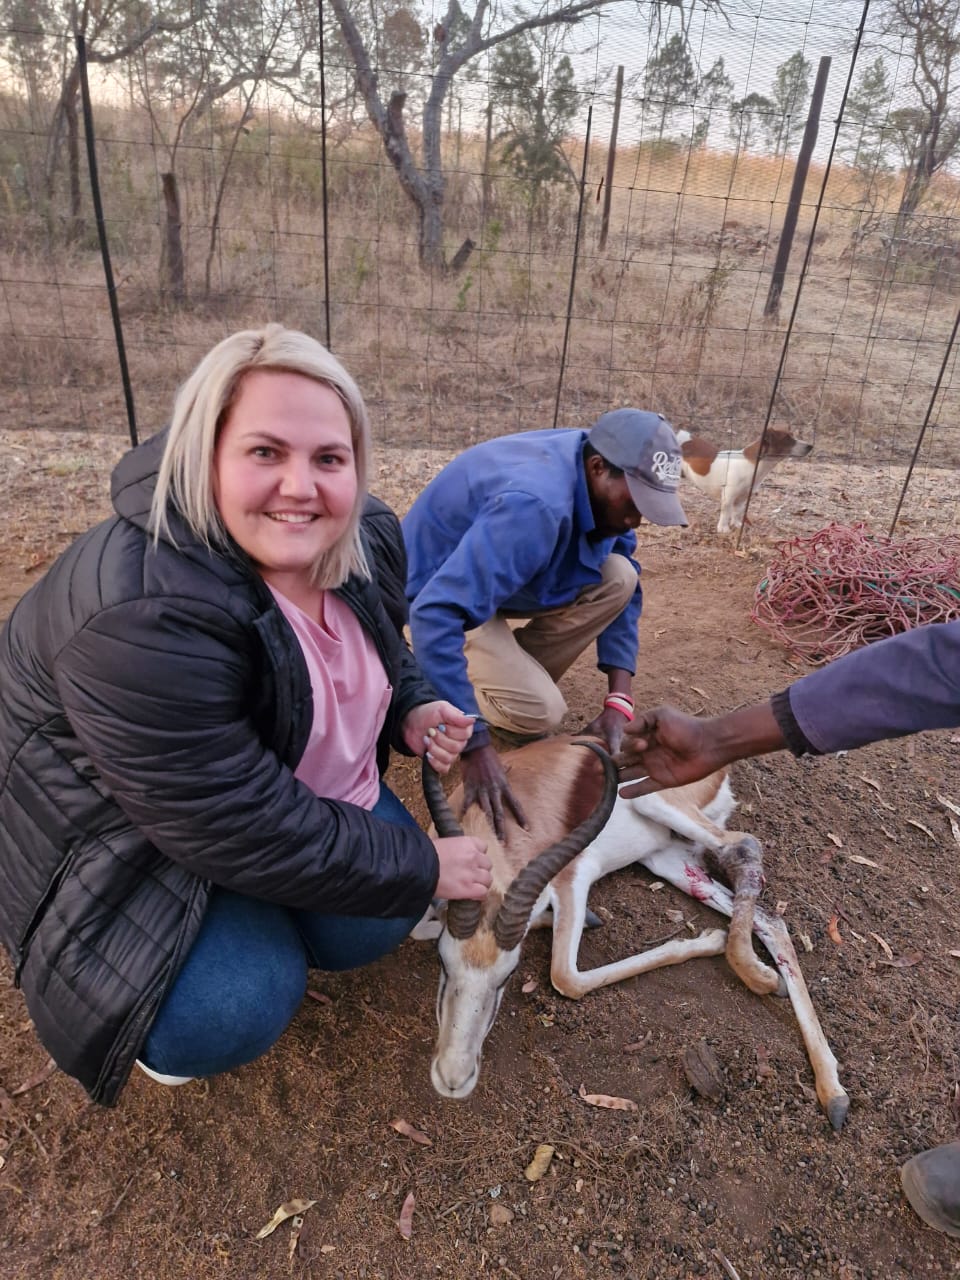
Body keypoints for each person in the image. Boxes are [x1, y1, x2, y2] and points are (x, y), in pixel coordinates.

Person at [0, 323, 491, 1106]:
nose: (302, 486)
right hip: (112, 829)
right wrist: (425, 865)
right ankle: (170, 1018)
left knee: (368, 922)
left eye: (329, 458)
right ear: (208, 453)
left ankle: (259, 904)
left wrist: (409, 702)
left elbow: (379, 642)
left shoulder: (361, 532)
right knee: (239, 998)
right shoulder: (143, 611)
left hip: (227, 789)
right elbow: (233, 818)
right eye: (266, 452)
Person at [614, 618, 960, 1240]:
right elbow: (933, 663)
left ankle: (745, 898)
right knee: (664, 855)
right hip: (651, 830)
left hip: (665, 803)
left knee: (647, 813)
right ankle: (782, 980)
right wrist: (720, 737)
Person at [402, 408, 687, 839]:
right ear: (597, 469)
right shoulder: (535, 507)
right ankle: (453, 684)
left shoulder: (600, 474)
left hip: (487, 580)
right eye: (634, 503)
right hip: (426, 597)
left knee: (619, 577)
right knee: (540, 712)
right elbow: (435, 612)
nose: (636, 520)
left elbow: (626, 586)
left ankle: (498, 681)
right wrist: (475, 746)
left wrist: (618, 703)